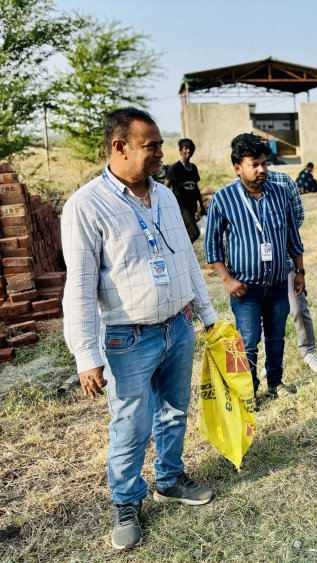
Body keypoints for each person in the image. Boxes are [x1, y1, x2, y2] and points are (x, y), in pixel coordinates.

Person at [61, 107, 218, 551]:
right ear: (119, 147)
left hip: (177, 327)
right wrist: (86, 356)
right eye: (152, 146)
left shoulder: (165, 196)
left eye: (161, 146)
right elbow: (79, 286)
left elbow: (186, 259)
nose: (162, 154)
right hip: (126, 338)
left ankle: (169, 479)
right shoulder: (86, 206)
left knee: (173, 411)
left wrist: (206, 315)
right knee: (131, 425)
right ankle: (126, 501)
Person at [205, 133, 305, 404]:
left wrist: (300, 272)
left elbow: (293, 237)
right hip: (245, 289)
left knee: (276, 337)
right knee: (248, 342)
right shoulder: (223, 199)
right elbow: (212, 246)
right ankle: (249, 391)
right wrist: (227, 280)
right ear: (238, 167)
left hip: (276, 284)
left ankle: (275, 383)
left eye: (264, 163)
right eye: (254, 164)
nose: (262, 170)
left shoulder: (280, 194)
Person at [282, 177, 317, 373]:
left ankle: (309, 351)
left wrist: (280, 232)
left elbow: (298, 216)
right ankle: (271, 359)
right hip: (259, 268)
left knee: (298, 307)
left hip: (287, 258)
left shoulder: (283, 181)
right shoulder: (235, 188)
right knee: (265, 316)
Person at [164, 138, 205, 243]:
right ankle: (185, 252)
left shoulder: (193, 168)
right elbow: (165, 188)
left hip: (191, 206)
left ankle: (184, 255)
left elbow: (196, 188)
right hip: (181, 206)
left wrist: (201, 205)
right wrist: (167, 206)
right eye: (186, 148)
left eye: (191, 149)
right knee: (194, 232)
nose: (188, 151)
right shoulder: (174, 168)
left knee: (186, 233)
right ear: (180, 151)